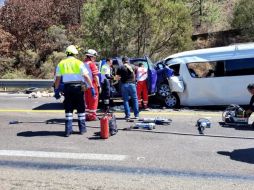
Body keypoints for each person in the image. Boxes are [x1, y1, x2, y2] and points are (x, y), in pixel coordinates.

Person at [54, 45, 95, 137]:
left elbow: (58, 78)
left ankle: (68, 130)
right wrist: (91, 87)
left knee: (68, 108)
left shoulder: (61, 63)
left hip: (67, 88)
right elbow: (86, 76)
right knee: (80, 108)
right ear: (75, 54)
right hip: (78, 88)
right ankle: (82, 129)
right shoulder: (79, 63)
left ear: (67, 53)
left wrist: (56, 90)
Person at [84, 49, 101, 121]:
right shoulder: (91, 64)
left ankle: (87, 115)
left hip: (85, 86)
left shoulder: (83, 63)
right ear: (91, 56)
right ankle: (92, 116)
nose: (95, 58)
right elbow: (95, 76)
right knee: (94, 101)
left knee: (87, 101)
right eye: (94, 57)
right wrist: (99, 85)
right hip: (92, 85)